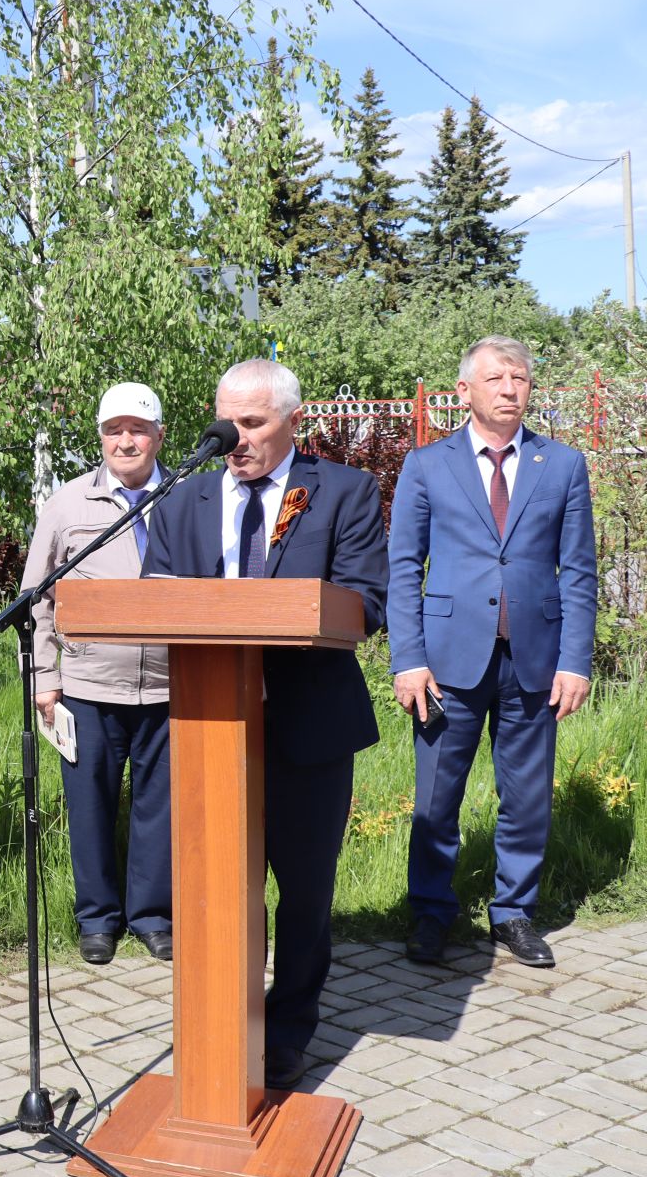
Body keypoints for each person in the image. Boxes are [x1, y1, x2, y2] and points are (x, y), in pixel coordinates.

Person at [142, 359, 386, 1091]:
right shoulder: (179, 505)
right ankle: (221, 1027)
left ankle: (287, 1033)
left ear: (291, 420)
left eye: (253, 424)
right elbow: (153, 600)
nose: (235, 437)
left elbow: (365, 602)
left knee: (304, 893)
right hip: (208, 726)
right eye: (227, 422)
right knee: (216, 887)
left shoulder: (342, 491)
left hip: (307, 727)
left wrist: (277, 614)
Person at [389, 335, 597, 970]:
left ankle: (513, 913)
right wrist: (408, 659)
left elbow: (580, 571)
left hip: (534, 659)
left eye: (520, 379)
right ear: (465, 391)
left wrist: (575, 660)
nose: (510, 389)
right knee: (436, 799)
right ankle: (430, 911)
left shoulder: (560, 465)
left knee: (528, 796)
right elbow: (403, 568)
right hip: (447, 662)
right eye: (497, 378)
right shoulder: (427, 465)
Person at [22, 382, 172, 966]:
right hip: (86, 687)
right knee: (89, 807)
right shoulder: (66, 505)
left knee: (158, 807)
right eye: (114, 431)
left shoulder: (189, 498)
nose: (126, 441)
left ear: (159, 436)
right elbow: (38, 599)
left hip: (169, 684)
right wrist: (45, 676)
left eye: (137, 430)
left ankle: (153, 916)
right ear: (101, 438)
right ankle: (97, 920)